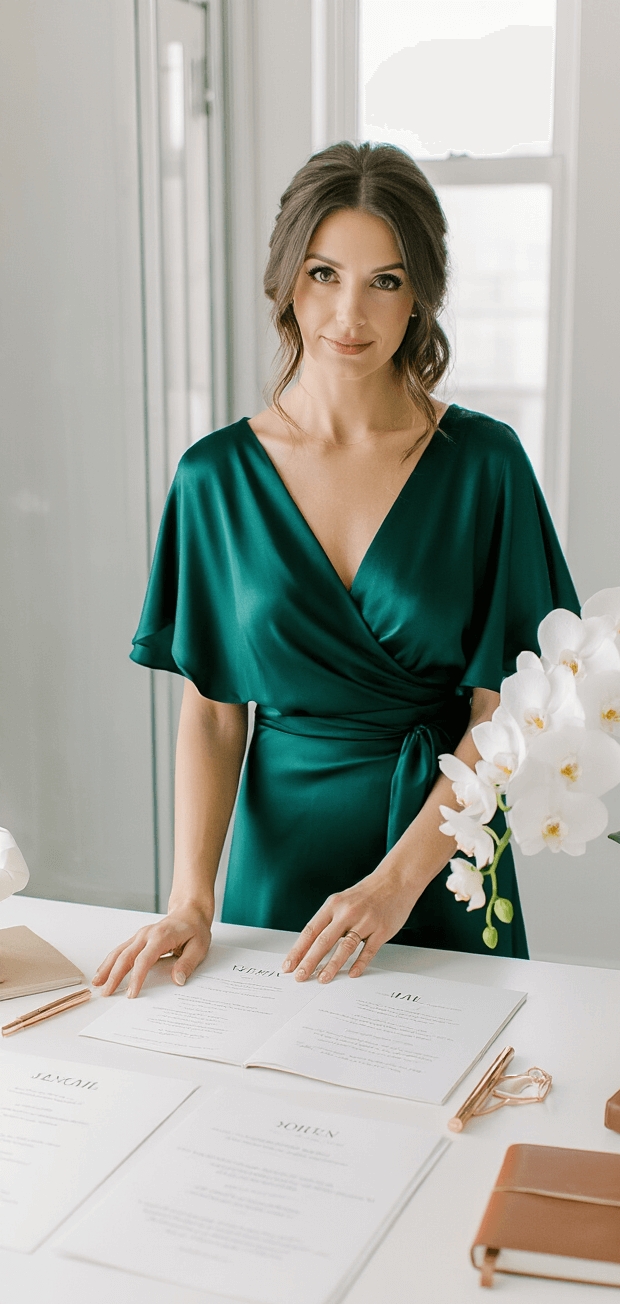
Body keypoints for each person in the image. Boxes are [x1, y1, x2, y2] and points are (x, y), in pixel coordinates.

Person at [94, 141, 577, 1001]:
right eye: (324, 274)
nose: (350, 313)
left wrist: (396, 886)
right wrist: (190, 900)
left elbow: (506, 712)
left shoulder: (485, 465)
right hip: (276, 880)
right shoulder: (215, 478)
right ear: (286, 278)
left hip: (440, 869)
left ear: (421, 293)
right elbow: (212, 715)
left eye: (385, 281)